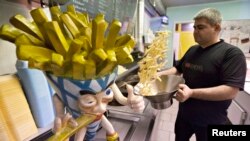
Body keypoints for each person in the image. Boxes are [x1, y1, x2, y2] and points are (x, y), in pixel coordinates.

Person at [157, 8, 247, 141]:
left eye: (200, 27)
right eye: (194, 27)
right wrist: (157, 75)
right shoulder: (193, 50)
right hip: (184, 115)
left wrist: (191, 93)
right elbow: (177, 69)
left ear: (216, 27)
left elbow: (231, 91)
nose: (195, 31)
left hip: (211, 120)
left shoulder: (232, 54)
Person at [46, 69, 144, 141]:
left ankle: (112, 137)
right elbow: (58, 98)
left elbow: (122, 99)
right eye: (89, 101)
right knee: (80, 136)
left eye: (107, 93)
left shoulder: (109, 82)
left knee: (109, 128)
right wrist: (60, 118)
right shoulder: (63, 93)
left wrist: (133, 101)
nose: (102, 108)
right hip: (81, 122)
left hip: (99, 118)